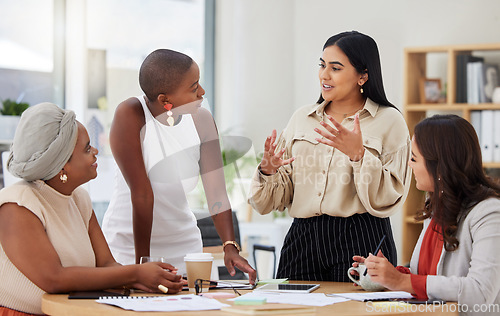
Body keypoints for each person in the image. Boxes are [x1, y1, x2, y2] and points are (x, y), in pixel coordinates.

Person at [248, 31, 411, 282]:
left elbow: (390, 196)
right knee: (292, 310)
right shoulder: (301, 119)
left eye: (335, 68)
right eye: (322, 65)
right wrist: (268, 172)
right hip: (303, 238)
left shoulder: (389, 121)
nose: (324, 75)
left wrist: (359, 155)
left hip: (361, 237)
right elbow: (274, 201)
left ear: (363, 76)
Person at [0, 103, 183, 316]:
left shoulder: (79, 199)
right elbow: (53, 278)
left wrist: (148, 281)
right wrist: (136, 274)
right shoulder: (17, 205)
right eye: (87, 148)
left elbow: (106, 264)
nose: (95, 151)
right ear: (62, 166)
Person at [101, 49, 256, 283]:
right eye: (194, 87)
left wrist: (229, 246)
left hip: (185, 249)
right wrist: (142, 265)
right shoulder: (131, 114)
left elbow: (216, 191)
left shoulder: (202, 120)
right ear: (165, 100)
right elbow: (142, 194)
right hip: (129, 248)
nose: (202, 92)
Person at [355, 114, 500, 310]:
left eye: (414, 158)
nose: (409, 164)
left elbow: (480, 292)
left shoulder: (489, 213)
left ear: (440, 166)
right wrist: (386, 275)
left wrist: (400, 281)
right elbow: (431, 278)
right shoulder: (437, 204)